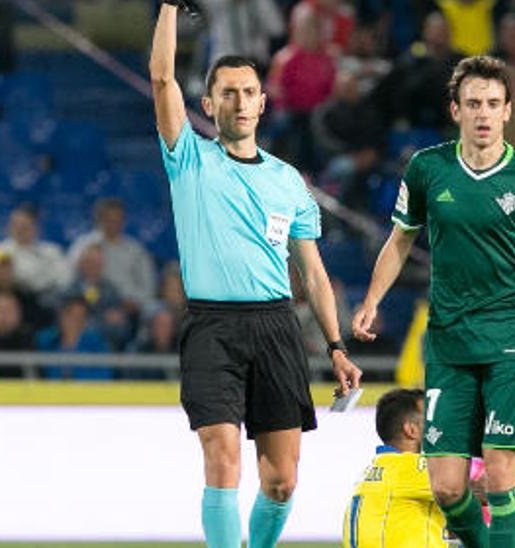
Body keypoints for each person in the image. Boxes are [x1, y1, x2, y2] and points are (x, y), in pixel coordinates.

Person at [150, 2, 363, 547]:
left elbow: (312, 274)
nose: (239, 101)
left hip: (276, 328)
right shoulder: (189, 159)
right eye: (228, 92)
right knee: (222, 459)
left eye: (248, 92)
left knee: (281, 480)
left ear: (263, 104)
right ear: (209, 102)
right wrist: (171, 7)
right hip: (212, 328)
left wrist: (335, 345)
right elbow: (160, 77)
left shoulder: (289, 181)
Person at [351, 56, 515, 547]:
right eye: (473, 103)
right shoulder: (428, 168)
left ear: (507, 111)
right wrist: (373, 298)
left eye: (493, 104)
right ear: (455, 109)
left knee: (501, 475)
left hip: (510, 339)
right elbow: (399, 240)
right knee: (448, 487)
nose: (483, 113)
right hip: (448, 343)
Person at [343, 388, 515, 548]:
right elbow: (487, 490)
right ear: (411, 430)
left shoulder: (383, 468)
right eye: (431, 419)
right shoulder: (409, 466)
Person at [66, 198, 157, 311]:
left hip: (130, 307)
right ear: (98, 219)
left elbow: (148, 288)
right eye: (109, 219)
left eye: (118, 220)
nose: (114, 224)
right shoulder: (83, 246)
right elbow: (69, 277)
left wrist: (137, 303)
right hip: (89, 303)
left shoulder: (136, 251)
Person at [0, 206, 69, 296]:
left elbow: (64, 279)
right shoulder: (0, 249)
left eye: (24, 226)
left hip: (47, 299)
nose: (19, 230)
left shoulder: (52, 251)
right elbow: (3, 279)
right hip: (14, 297)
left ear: (36, 227)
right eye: (15, 225)